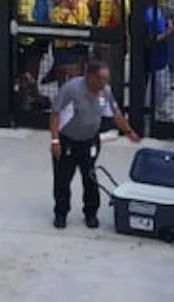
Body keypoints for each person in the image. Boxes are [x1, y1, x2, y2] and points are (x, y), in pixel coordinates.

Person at [49, 60, 140, 229]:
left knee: (90, 177)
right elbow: (55, 114)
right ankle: (61, 213)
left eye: (106, 79)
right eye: (101, 78)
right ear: (90, 76)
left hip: (90, 141)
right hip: (67, 141)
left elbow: (115, 113)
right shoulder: (71, 90)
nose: (104, 83)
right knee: (62, 179)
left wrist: (128, 132)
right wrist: (55, 141)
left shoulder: (105, 92)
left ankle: (91, 213)